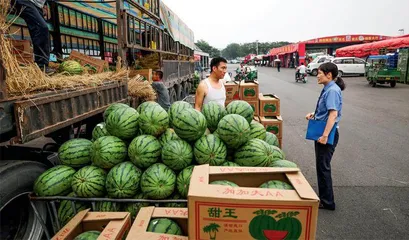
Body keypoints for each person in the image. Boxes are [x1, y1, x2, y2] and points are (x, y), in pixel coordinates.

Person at [305, 62, 345, 211]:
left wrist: (325, 135)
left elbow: (333, 114)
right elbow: (325, 111)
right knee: (321, 166)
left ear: (329, 75)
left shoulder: (332, 91)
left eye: (320, 73)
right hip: (323, 131)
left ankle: (327, 202)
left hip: (327, 134)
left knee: (323, 167)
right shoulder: (328, 88)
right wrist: (314, 115)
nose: (317, 75)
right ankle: (324, 198)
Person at [13, 0, 53, 74]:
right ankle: (41, 66)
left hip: (38, 5)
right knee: (42, 27)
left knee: (44, 31)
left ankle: (42, 64)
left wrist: (44, 6)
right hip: (26, 1)